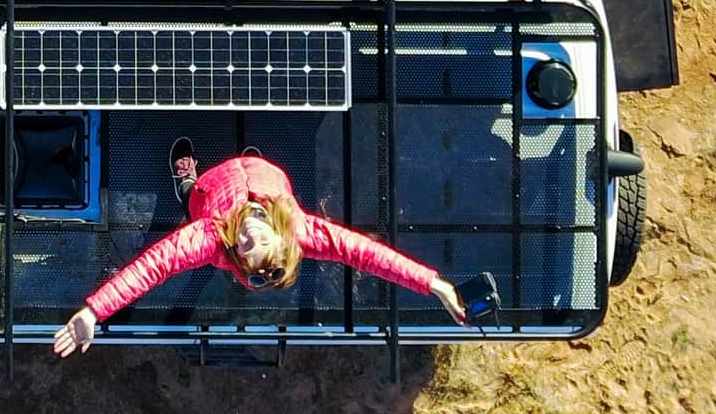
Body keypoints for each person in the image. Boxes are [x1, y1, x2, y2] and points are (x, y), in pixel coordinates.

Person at [52, 139, 471, 357]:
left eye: (243, 245)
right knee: (257, 161)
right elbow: (367, 254)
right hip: (263, 175)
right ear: (281, 234)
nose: (248, 234)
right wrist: (433, 284)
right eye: (259, 238)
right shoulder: (303, 230)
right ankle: (253, 159)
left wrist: (94, 311)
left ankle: (184, 179)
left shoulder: (211, 236)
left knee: (189, 196)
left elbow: (152, 267)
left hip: (211, 191)